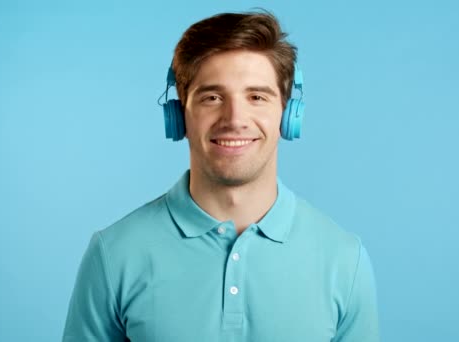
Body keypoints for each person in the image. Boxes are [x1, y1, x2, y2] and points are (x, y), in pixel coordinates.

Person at [62, 10, 379, 342]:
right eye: (212, 97)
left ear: (287, 114)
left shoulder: (344, 259)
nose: (235, 118)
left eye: (257, 97)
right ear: (178, 114)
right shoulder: (114, 254)